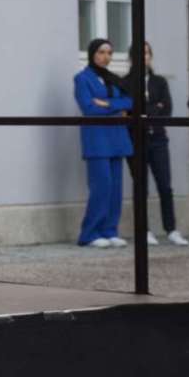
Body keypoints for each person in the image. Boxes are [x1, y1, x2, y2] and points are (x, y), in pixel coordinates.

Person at [125, 41, 189, 246]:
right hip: (136, 139)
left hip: (158, 139)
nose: (143, 57)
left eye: (146, 53)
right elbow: (130, 110)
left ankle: (171, 229)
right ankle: (143, 230)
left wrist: (147, 109)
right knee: (141, 186)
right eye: (138, 53)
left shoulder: (159, 82)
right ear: (131, 58)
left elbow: (166, 109)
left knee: (165, 185)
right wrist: (153, 107)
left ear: (150, 56)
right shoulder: (125, 82)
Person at [74, 37, 134, 248]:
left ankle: (110, 230)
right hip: (97, 138)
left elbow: (130, 101)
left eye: (109, 52)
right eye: (101, 52)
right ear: (92, 54)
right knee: (102, 186)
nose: (105, 57)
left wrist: (107, 103)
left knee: (116, 187)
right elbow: (88, 108)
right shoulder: (82, 78)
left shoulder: (113, 78)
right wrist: (116, 108)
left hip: (117, 137)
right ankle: (89, 233)